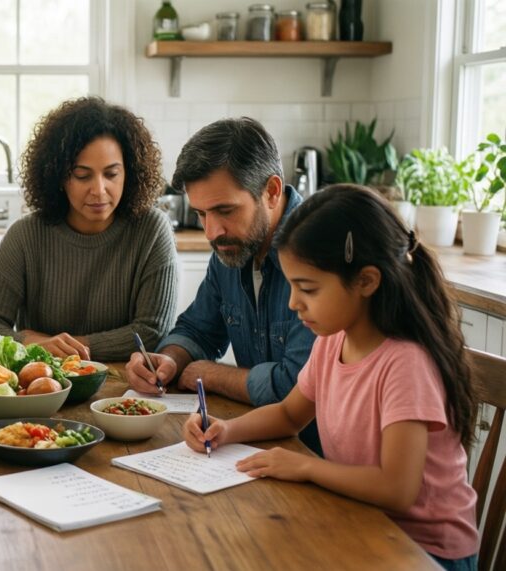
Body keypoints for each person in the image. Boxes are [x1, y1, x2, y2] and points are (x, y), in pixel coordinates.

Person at [182, 185, 479, 570]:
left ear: (367, 282)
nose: (293, 303)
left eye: (308, 289)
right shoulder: (333, 340)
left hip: (424, 551)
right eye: (291, 286)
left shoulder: (405, 364)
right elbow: (289, 415)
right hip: (359, 520)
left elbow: (398, 489)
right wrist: (226, 429)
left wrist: (306, 467)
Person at [125, 117, 320, 454]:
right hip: (259, 445)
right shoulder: (232, 249)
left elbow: (295, 386)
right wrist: (170, 361)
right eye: (201, 214)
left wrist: (212, 375)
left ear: (271, 192)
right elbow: (198, 330)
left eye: (224, 210)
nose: (212, 231)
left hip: (317, 456)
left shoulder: (319, 258)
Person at [0, 96, 177, 361]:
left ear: (130, 172)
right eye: (82, 175)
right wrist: (31, 342)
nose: (99, 190)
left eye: (111, 174)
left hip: (127, 389)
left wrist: (66, 347)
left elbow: (152, 332)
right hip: (43, 387)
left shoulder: (152, 230)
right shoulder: (26, 235)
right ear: (58, 176)